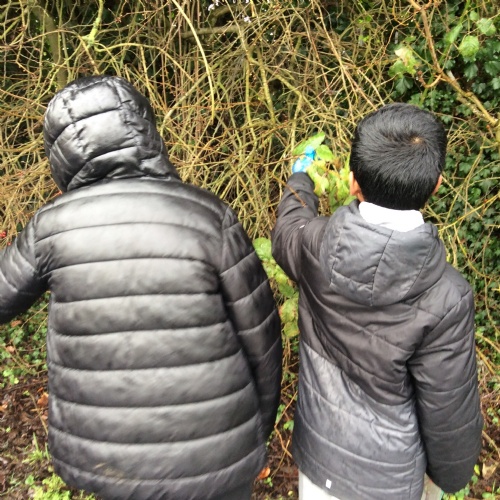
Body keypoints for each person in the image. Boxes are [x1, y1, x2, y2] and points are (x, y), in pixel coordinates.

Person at [0, 75, 282, 500]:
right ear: (144, 130)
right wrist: (256, 425)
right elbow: (262, 337)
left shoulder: (51, 227)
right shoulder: (208, 216)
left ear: (62, 153)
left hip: (112, 464)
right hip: (215, 456)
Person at [271, 103, 483, 500]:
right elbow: (448, 408)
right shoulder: (448, 296)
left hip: (319, 464)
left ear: (353, 182)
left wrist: (300, 177)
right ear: (437, 185)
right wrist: (450, 477)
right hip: (393, 479)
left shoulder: (313, 244)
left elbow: (287, 229)